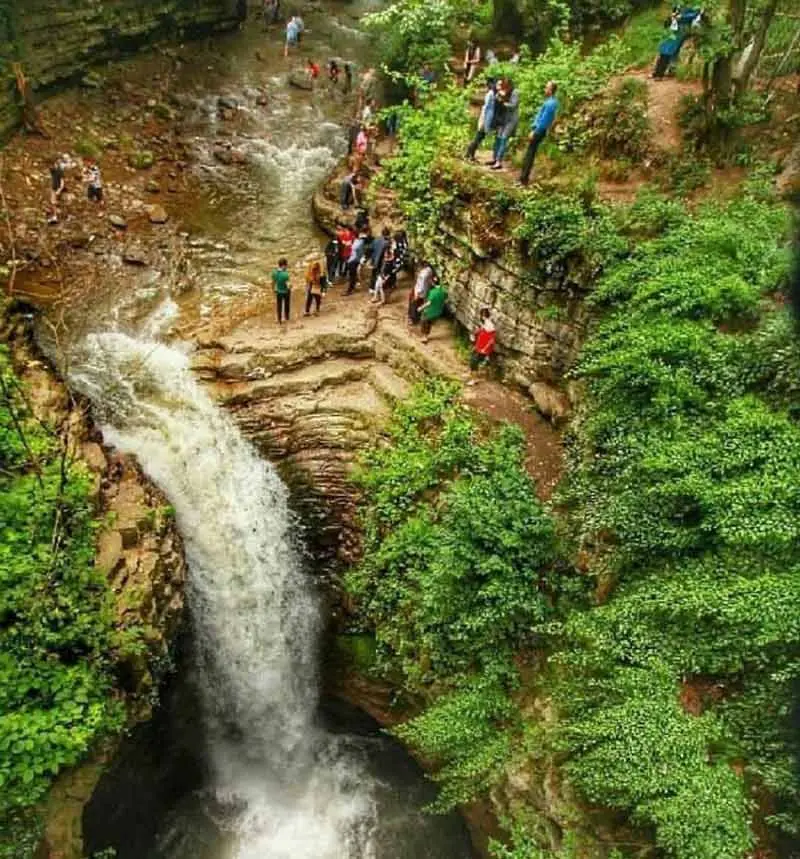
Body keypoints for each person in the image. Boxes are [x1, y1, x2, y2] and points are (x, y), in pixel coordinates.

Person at [519, 80, 559, 186]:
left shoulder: (551, 103)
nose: (545, 89)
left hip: (539, 131)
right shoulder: (551, 102)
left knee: (529, 154)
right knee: (530, 153)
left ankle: (523, 178)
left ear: (550, 90)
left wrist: (535, 131)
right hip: (539, 129)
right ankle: (523, 178)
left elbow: (544, 120)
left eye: (546, 88)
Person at [489, 78, 519, 170]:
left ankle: (499, 161)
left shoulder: (515, 92)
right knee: (498, 137)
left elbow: (514, 105)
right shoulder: (503, 91)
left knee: (504, 138)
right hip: (503, 118)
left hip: (511, 119)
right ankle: (494, 158)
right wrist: (499, 95)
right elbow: (495, 99)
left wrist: (504, 103)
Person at [465, 78, 496, 161]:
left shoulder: (491, 93)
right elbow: (486, 108)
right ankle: (469, 153)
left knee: (480, 137)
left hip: (486, 117)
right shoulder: (491, 94)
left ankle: (471, 154)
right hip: (485, 118)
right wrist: (484, 122)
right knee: (478, 136)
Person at [346, 230, 369, 294]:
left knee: (352, 276)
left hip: (353, 260)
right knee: (353, 275)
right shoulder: (359, 241)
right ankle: (353, 287)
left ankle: (349, 290)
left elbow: (355, 249)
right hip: (355, 260)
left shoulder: (359, 243)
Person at [369, 226, 391, 294]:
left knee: (373, 274)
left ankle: (371, 288)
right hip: (381, 261)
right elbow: (386, 253)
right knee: (380, 275)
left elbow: (371, 249)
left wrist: (371, 259)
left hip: (374, 260)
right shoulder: (387, 243)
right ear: (388, 234)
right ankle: (379, 289)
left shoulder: (376, 240)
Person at [272, 257, 291, 323]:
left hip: (278, 291)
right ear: (283, 265)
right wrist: (290, 286)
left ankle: (279, 319)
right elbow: (288, 285)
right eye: (286, 265)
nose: (286, 267)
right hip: (286, 292)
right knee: (286, 304)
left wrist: (273, 289)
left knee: (279, 305)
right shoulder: (285, 274)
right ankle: (286, 317)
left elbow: (273, 282)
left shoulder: (274, 273)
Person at [48, 156, 66, 224]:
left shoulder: (59, 171)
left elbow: (62, 181)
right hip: (53, 188)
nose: (50, 167)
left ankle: (56, 216)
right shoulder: (52, 170)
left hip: (58, 189)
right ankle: (55, 216)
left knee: (55, 202)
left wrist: (59, 189)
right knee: (53, 203)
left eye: (51, 165)